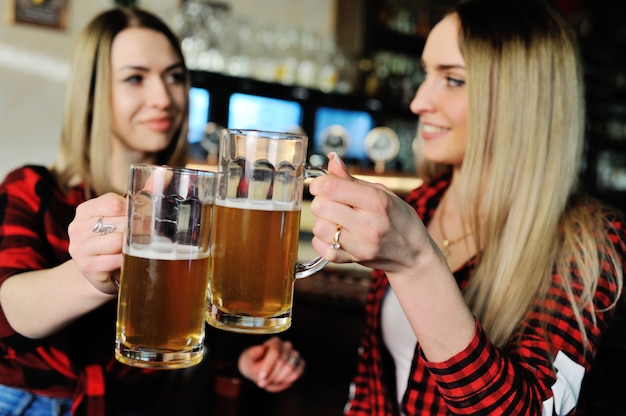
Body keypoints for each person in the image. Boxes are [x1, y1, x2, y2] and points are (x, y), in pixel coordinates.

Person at [308, 0, 625, 414]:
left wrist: (417, 265)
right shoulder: (420, 203)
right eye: (426, 75)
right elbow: (371, 387)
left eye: (453, 80)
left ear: (524, 97)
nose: (419, 101)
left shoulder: (586, 242)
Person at [0, 7, 303, 416]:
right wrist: (91, 276)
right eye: (135, 78)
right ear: (92, 92)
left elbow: (194, 308)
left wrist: (245, 356)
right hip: (30, 404)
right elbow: (8, 310)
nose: (164, 97)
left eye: (175, 76)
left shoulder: (200, 199)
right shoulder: (33, 189)